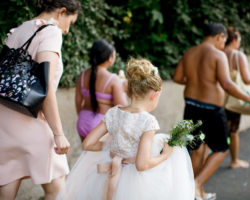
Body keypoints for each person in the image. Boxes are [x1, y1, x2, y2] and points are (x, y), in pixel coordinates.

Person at [57, 58, 195, 200]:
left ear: (128, 91)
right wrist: (165, 156)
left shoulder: (114, 112)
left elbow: (87, 144)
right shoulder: (148, 121)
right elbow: (142, 164)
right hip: (137, 184)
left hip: (109, 176)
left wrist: (114, 146)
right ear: (154, 95)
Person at [173, 22, 250, 200]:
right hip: (211, 109)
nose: (224, 43)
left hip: (191, 106)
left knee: (197, 149)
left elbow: (177, 77)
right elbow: (227, 84)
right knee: (222, 148)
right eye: (224, 39)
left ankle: (192, 192)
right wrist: (249, 98)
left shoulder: (190, 52)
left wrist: (195, 82)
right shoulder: (217, 55)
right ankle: (196, 185)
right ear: (219, 37)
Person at [0, 0, 80, 199]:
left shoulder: (18, 30)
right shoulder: (50, 32)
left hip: (4, 120)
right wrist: (58, 133)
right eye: (70, 22)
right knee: (58, 189)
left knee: (8, 183)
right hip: (31, 121)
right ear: (62, 12)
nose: (68, 30)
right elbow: (46, 88)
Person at [75, 39, 127, 141]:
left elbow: (78, 102)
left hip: (83, 120)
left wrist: (83, 117)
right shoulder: (113, 80)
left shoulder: (82, 75)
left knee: (87, 155)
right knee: (101, 156)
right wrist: (123, 89)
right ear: (110, 58)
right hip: (101, 124)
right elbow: (122, 107)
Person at [224, 27, 250, 168]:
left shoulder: (217, 52)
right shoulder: (238, 56)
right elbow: (247, 79)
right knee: (233, 131)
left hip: (216, 98)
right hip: (232, 98)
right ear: (234, 40)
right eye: (239, 40)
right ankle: (234, 160)